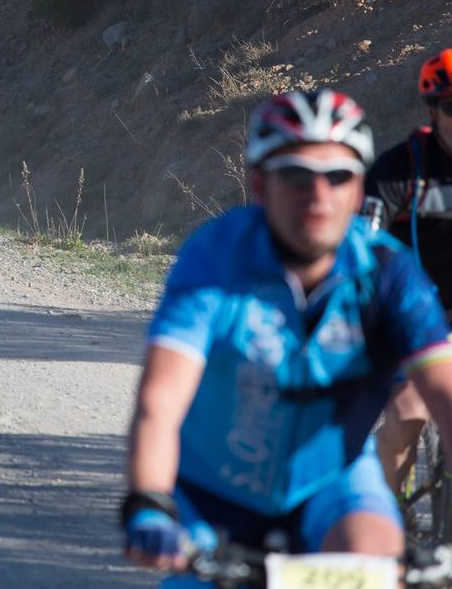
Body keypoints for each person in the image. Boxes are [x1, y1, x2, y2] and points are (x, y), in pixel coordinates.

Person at [122, 89, 452, 580]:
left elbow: (445, 392)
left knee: (373, 558)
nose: (318, 196)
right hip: (212, 492)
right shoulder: (215, 259)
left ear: (360, 188)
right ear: (259, 183)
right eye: (296, 176)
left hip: (332, 485)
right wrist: (148, 501)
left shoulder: (388, 274)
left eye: (338, 177)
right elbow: (160, 399)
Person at [370, 48, 452, 497]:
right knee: (405, 421)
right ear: (434, 111)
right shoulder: (399, 171)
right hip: (416, 323)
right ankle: (386, 527)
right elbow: (358, 250)